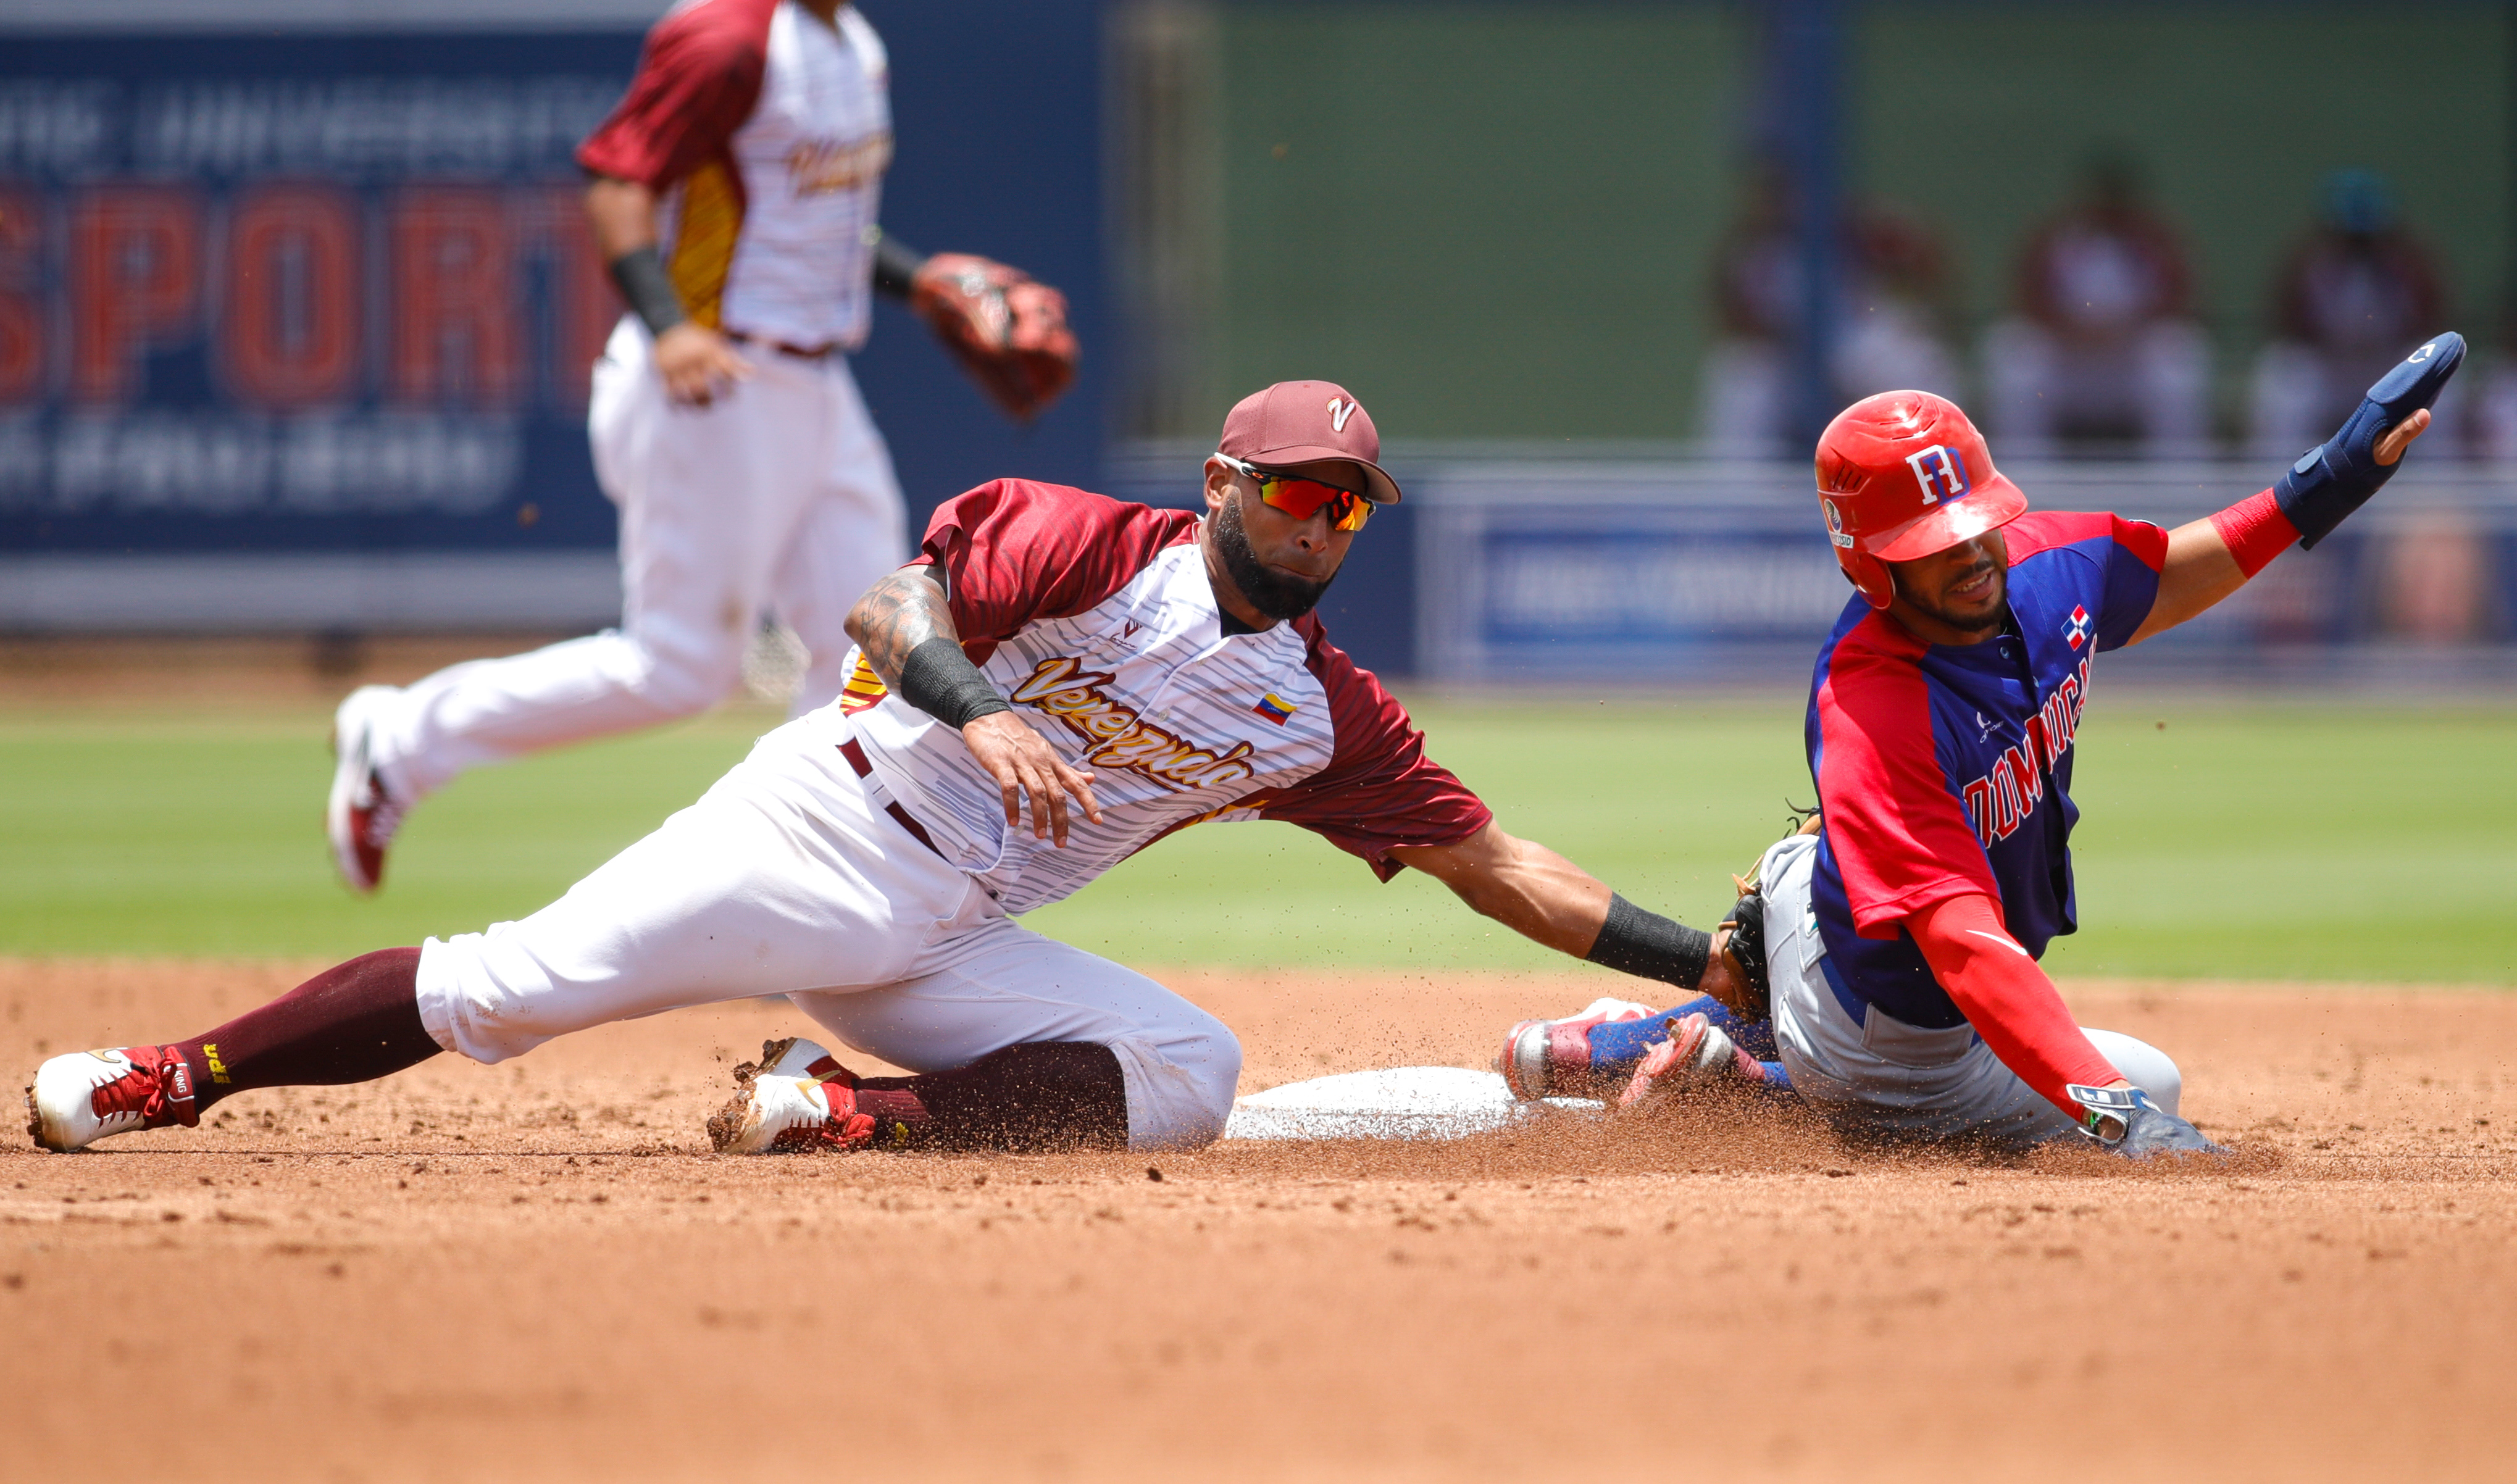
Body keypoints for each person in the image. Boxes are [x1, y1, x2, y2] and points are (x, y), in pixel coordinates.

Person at [30, 381, 1737, 1159]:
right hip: (828, 823)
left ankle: (839, 1105)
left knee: (1187, 1071)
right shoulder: (1089, 542)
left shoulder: (1324, 712)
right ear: (1223, 480)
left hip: (950, 928)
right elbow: (884, 596)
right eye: (1292, 486)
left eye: (1348, 500)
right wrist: (966, 698)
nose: (1319, 517)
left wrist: (1701, 962)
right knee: (510, 988)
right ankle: (169, 1072)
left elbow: (1500, 864)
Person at [325, 0, 1078, 894]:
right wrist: (668, 321)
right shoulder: (727, 34)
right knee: (681, 667)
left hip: (817, 382)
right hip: (713, 375)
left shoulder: (851, 44)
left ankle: (818, 879)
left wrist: (914, 282)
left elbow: (812, 224)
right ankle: (403, 737)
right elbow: (618, 180)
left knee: (869, 647)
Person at [1495, 336, 2461, 1154]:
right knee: (2147, 1081)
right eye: (1930, 542)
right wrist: (2111, 1109)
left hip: (1825, 913)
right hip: (1885, 1030)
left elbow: (2168, 574)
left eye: (1976, 523)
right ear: (1868, 563)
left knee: (1803, 859)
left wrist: (2330, 478)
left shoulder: (2046, 561)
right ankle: (1749, 1077)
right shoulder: (1869, 705)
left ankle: (1623, 1042)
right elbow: (1962, 945)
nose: (1970, 554)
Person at [1700, 156, 1960, 459]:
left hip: (1859, 344)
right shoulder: (1759, 244)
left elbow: (1935, 276)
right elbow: (1729, 310)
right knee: (1743, 375)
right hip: (1785, 354)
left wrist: (1878, 231)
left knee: (1916, 358)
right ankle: (1740, 495)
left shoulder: (1861, 226)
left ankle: (1934, 467)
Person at [1981, 151, 2213, 458]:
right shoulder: (2058, 239)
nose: (2108, 210)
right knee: (2014, 353)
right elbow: (2028, 296)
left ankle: (2179, 476)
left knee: (2178, 356)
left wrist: (2125, 330)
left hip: (2131, 361)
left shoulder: (2155, 241)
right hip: (2070, 359)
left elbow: (2182, 298)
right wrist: (2073, 331)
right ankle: (2027, 472)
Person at [2250, 169, 2445, 457]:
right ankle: (2278, 490)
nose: (2360, 245)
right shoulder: (2310, 265)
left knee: (2444, 385)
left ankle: (2435, 494)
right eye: (2351, 235)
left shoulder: (2408, 266)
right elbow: (2285, 324)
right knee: (2283, 376)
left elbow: (2431, 321)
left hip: (2389, 367)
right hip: (2331, 369)